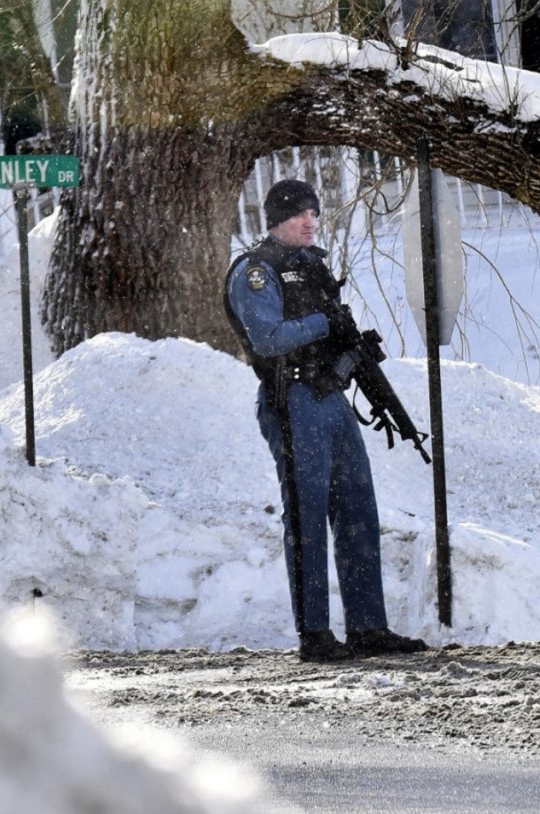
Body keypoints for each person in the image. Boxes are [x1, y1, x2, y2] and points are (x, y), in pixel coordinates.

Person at [224, 179, 429, 662]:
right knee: (307, 518)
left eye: (314, 213)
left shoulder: (312, 264)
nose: (311, 222)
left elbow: (331, 328)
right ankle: (314, 633)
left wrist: (350, 348)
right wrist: (323, 324)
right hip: (292, 400)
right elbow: (269, 338)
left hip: (330, 398)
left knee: (359, 511)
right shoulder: (256, 271)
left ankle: (367, 626)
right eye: (300, 215)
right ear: (277, 219)